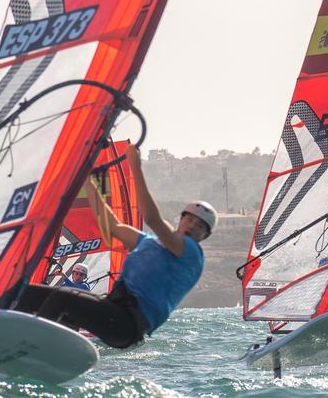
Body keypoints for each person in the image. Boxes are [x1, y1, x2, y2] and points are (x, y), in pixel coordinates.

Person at [11, 146, 214, 348]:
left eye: (200, 227)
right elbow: (112, 225)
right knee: (25, 293)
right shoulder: (148, 242)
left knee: (61, 299)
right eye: (190, 220)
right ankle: (3, 329)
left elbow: (152, 219)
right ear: (181, 219)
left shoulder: (191, 253)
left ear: (205, 236)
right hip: (111, 310)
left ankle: (29, 347)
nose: (193, 226)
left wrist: (135, 167)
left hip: (128, 324)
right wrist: (87, 180)